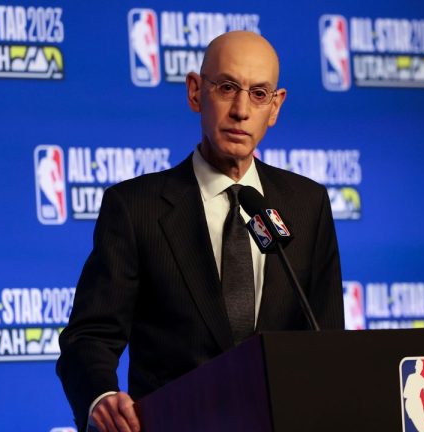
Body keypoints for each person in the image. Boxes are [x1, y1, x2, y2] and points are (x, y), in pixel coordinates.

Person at [57, 31, 344, 432]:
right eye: (227, 88)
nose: (241, 110)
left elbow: (326, 343)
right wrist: (101, 397)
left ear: (275, 107)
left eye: (259, 94)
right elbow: (89, 337)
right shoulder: (137, 207)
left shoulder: (306, 205)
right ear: (195, 92)